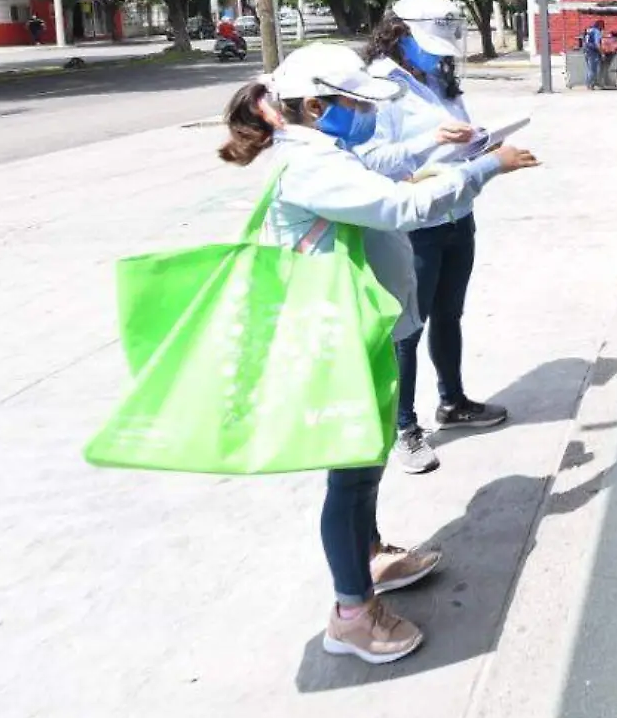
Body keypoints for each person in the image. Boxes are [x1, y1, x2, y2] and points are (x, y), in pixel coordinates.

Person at [216, 43, 539, 664]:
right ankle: (352, 614)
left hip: (364, 330)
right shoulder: (310, 167)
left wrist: (433, 151)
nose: (368, 115)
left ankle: (367, 558)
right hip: (342, 341)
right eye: (359, 105)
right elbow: (400, 205)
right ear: (315, 105)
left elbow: (377, 165)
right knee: (354, 473)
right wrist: (484, 167)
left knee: (364, 463)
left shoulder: (322, 148)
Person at [359, 0, 508, 475]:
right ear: (399, 33)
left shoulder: (438, 77)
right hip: (414, 225)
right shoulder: (378, 87)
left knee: (449, 314)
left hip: (455, 214)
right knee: (407, 329)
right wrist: (432, 140)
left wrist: (480, 142)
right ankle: (404, 428)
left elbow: (456, 132)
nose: (440, 54)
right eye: (431, 45)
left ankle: (453, 401)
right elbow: (372, 160)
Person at [580, 20, 607, 90]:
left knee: (590, 69)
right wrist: (602, 53)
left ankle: (590, 83)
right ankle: (590, 85)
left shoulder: (589, 30)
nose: (603, 28)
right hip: (593, 52)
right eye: (602, 26)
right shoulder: (597, 31)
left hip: (586, 50)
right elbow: (597, 44)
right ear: (600, 25)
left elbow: (584, 41)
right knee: (593, 69)